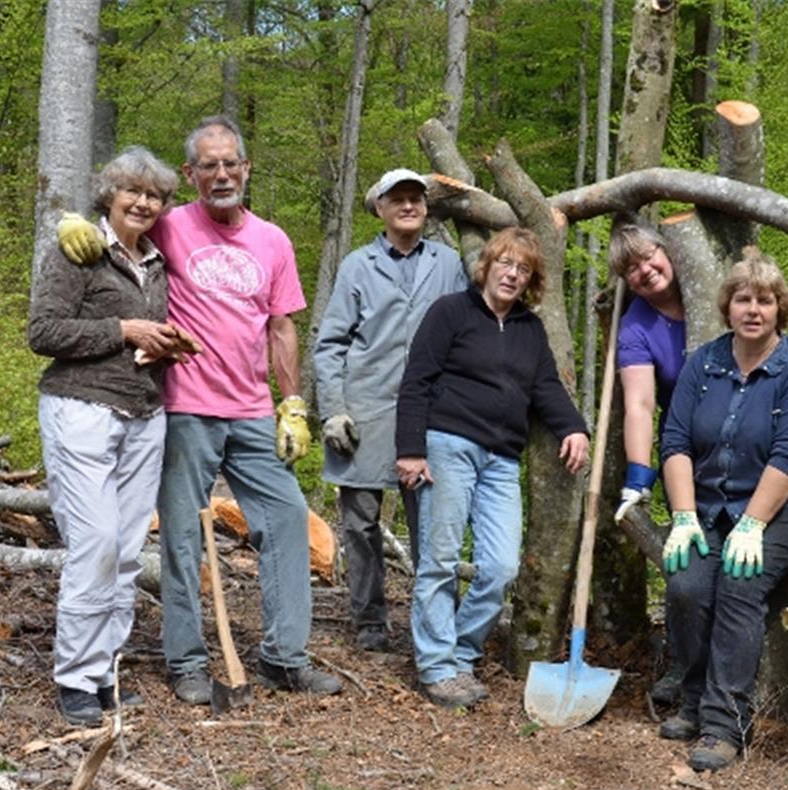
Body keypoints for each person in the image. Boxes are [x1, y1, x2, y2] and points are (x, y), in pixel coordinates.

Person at [58, 116, 342, 704]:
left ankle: (284, 658)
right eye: (207, 165)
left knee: (288, 520)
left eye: (230, 162)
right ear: (190, 174)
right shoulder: (170, 224)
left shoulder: (273, 241)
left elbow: (282, 326)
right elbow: (120, 222)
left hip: (252, 411)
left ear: (246, 168)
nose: (221, 174)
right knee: (183, 538)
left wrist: (291, 404)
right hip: (184, 407)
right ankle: (186, 660)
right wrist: (71, 225)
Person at [30, 147, 194, 724]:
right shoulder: (79, 250)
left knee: (125, 552)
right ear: (109, 194)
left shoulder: (157, 262)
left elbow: (139, 341)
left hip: (145, 414)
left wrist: (159, 347)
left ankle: (103, 672)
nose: (145, 202)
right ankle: (73, 677)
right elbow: (43, 331)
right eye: (134, 191)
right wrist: (121, 328)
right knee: (94, 543)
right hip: (81, 409)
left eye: (156, 195)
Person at [395, 227, 590, 709]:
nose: (512, 274)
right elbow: (416, 379)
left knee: (501, 566)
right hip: (447, 446)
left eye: (523, 269)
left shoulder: (529, 329)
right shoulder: (451, 312)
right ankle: (437, 668)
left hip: (502, 458)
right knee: (439, 560)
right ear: (487, 265)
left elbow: (545, 386)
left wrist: (575, 427)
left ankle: (460, 652)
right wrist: (410, 450)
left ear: (531, 280)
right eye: (505, 263)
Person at [658, 247, 788, 771]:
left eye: (766, 301)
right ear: (728, 307)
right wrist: (684, 517)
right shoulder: (702, 364)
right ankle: (693, 697)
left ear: (780, 310)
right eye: (744, 299)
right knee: (685, 583)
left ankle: (725, 722)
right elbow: (676, 440)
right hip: (707, 506)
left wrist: (753, 523)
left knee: (738, 582)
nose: (754, 309)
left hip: (779, 510)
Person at [314, 168, 467, 653]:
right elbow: (331, 343)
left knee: (433, 520)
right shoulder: (358, 265)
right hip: (366, 411)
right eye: (397, 199)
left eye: (416, 199)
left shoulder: (448, 263)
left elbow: (467, 334)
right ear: (378, 208)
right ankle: (370, 619)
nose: (408, 206)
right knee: (360, 522)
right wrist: (333, 409)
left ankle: (437, 619)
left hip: (433, 412)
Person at [608, 220, 688, 705]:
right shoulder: (637, 326)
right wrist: (639, 475)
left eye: (649, 257)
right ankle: (683, 664)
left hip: (750, 437)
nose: (645, 271)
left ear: (667, 250)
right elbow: (638, 403)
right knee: (686, 561)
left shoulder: (713, 289)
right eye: (631, 269)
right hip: (685, 446)